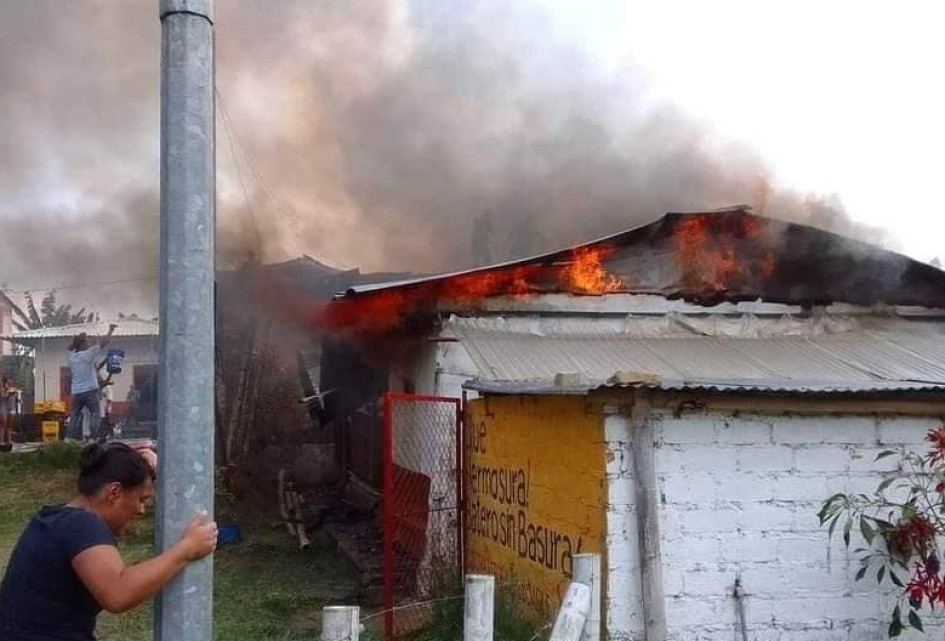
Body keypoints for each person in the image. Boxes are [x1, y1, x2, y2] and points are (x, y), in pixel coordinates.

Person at [0, 443, 217, 641]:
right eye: (141, 499)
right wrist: (186, 549)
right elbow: (118, 593)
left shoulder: (54, 518)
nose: (141, 510)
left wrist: (131, 464)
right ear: (114, 493)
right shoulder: (82, 525)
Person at [66, 325, 117, 442]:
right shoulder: (88, 354)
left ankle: (69, 438)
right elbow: (104, 342)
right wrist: (111, 330)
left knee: (74, 415)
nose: (88, 344)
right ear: (83, 345)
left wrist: (77, 339)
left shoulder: (71, 356)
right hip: (90, 391)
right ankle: (93, 438)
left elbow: (70, 347)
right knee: (95, 413)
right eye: (86, 342)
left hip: (77, 392)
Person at [0, 377, 14, 451]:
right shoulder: (2, 389)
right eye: (8, 383)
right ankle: (1, 441)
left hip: (10, 408)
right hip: (3, 407)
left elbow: (13, 397)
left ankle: (9, 440)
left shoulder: (12, 389)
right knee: (3, 423)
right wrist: (7, 391)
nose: (9, 384)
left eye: (10, 383)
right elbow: (3, 397)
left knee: (9, 424)